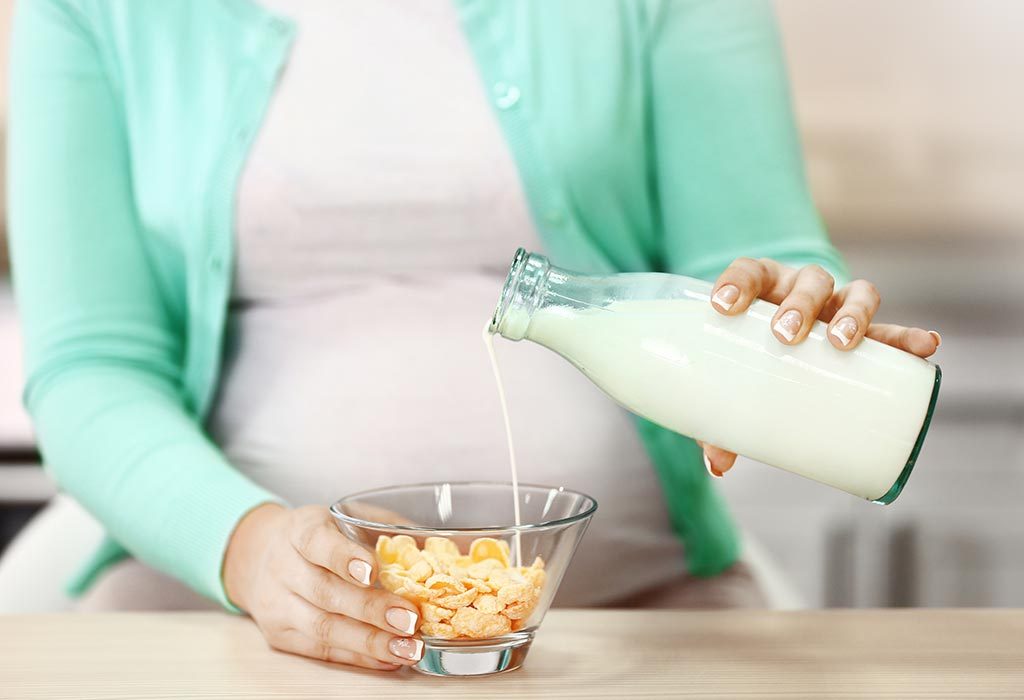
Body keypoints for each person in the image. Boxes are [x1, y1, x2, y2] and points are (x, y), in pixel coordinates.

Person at [4, 0, 938, 671]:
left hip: (641, 618)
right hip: (222, 620)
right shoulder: (93, 11)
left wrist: (783, 316)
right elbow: (94, 367)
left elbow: (752, 256)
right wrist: (247, 550)